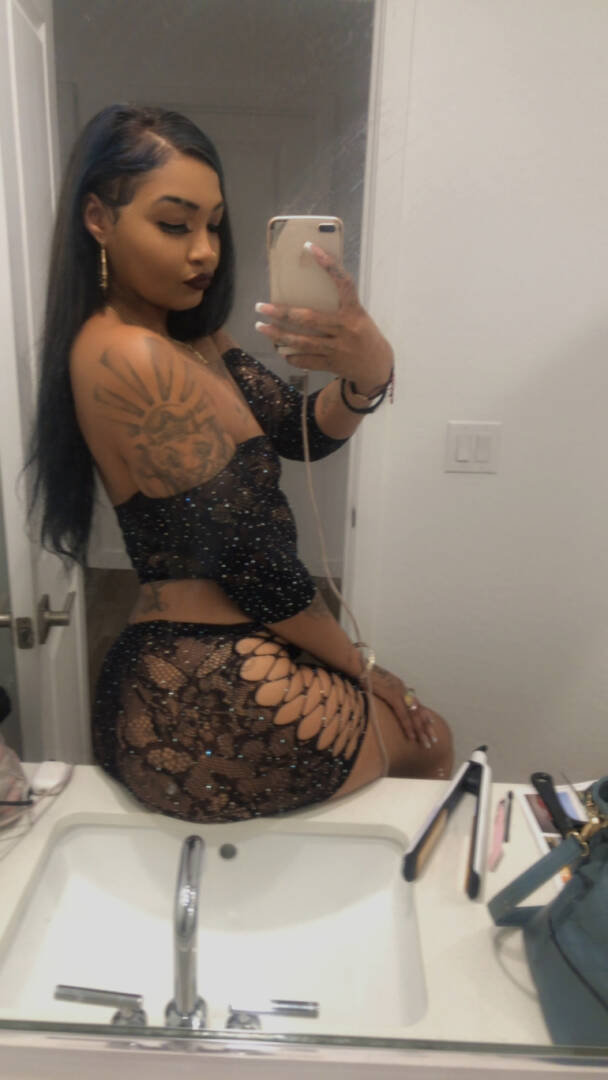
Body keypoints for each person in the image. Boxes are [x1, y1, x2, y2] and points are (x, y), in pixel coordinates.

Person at [28, 103, 453, 823]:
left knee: (401, 766)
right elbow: (252, 563)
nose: (205, 252)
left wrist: (367, 376)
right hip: (207, 694)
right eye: (174, 224)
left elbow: (299, 430)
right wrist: (365, 668)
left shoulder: (191, 340)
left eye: (214, 225)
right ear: (98, 219)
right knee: (431, 745)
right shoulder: (129, 355)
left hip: (208, 671)